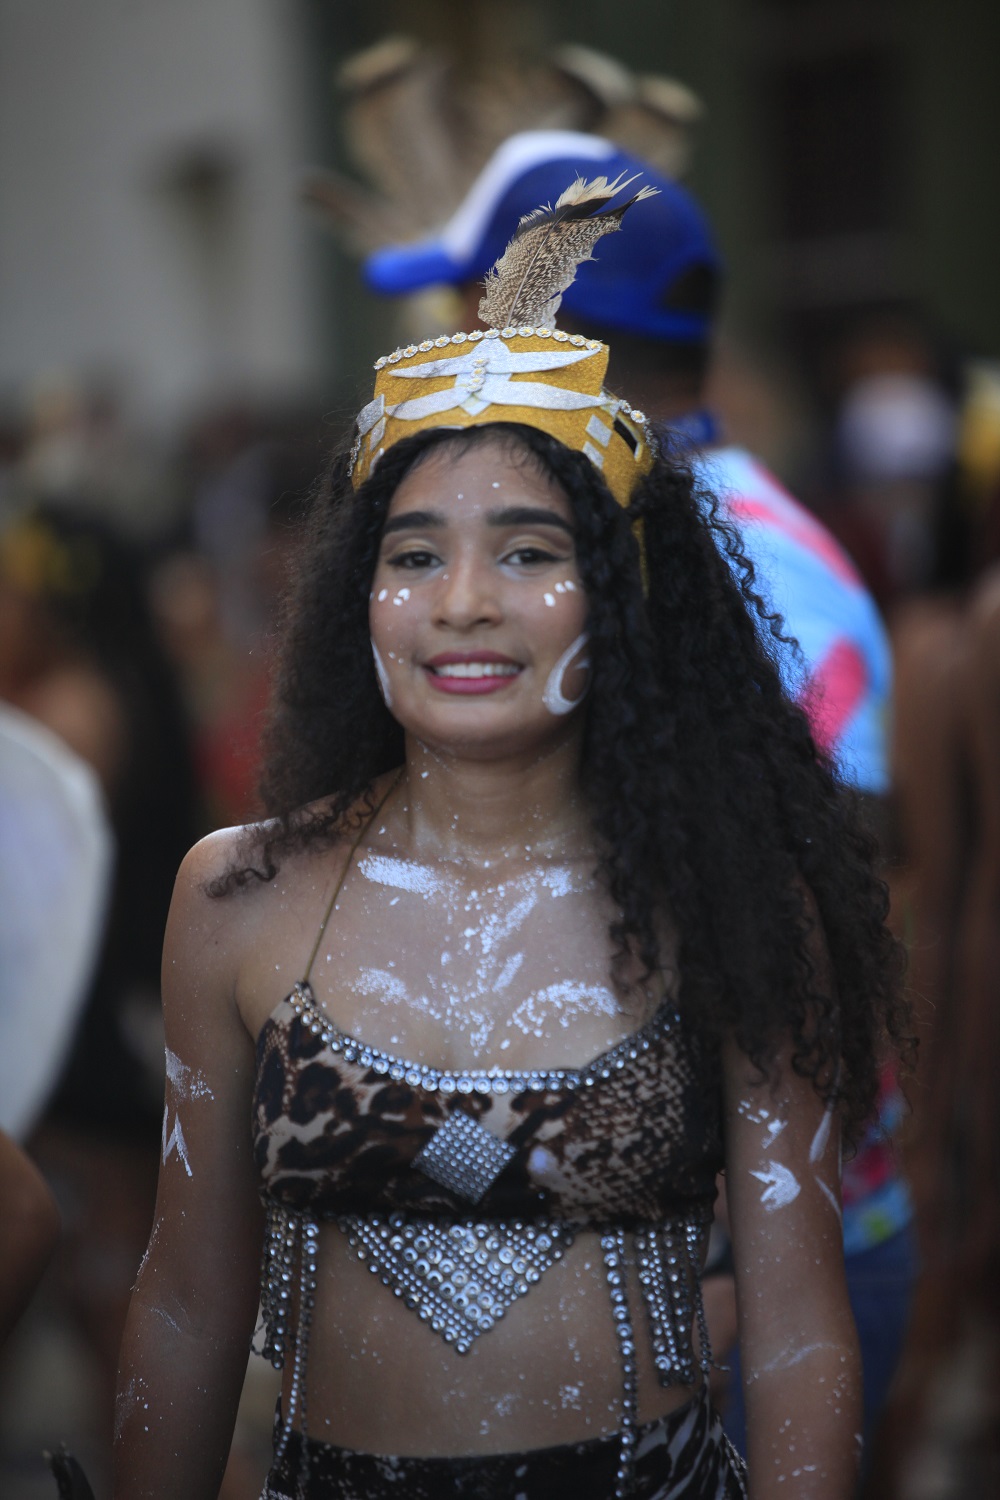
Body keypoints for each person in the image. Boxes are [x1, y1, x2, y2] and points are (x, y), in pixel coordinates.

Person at [114, 179, 906, 1500]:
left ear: (624, 594)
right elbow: (189, 1306)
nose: (464, 605)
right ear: (358, 596)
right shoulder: (236, 895)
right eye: (415, 557)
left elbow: (799, 1330)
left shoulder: (737, 902)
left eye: (531, 552)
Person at [364, 130, 916, 1460]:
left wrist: (722, 1277)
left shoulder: (726, 574)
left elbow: (792, 961)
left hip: (734, 1279)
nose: (449, 345)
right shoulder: (671, 537)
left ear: (547, 331)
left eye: (467, 312)